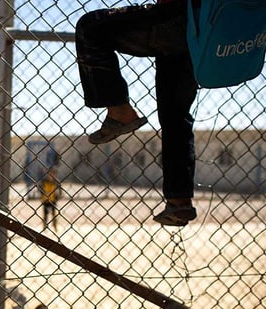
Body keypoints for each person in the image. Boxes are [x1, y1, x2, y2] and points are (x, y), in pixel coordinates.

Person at [75, 0, 200, 226]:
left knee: (90, 28)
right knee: (176, 116)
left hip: (181, 15)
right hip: (207, 30)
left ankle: (120, 110)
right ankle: (179, 201)